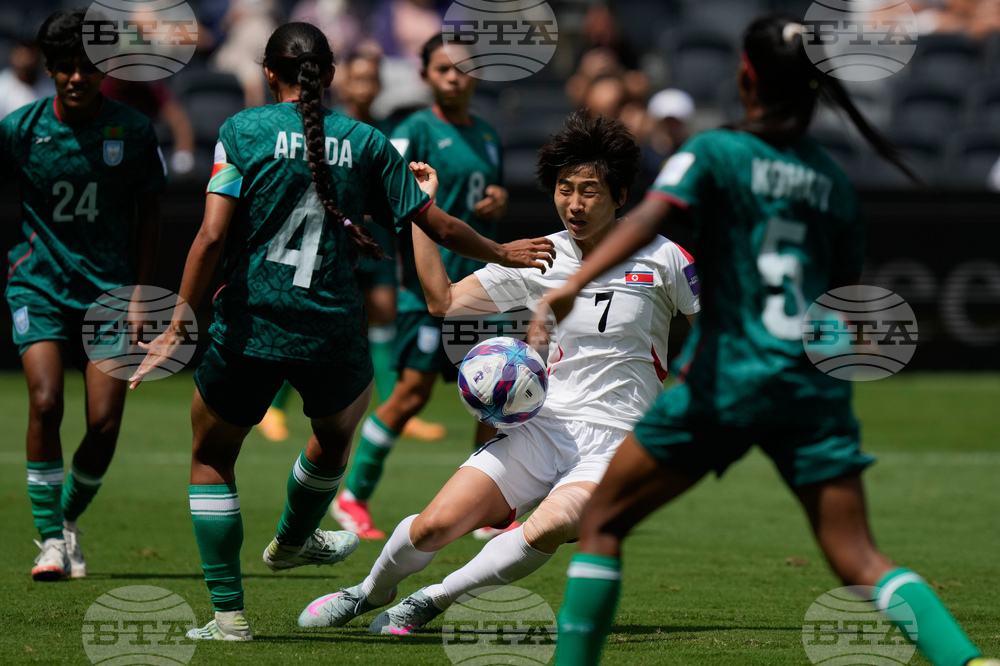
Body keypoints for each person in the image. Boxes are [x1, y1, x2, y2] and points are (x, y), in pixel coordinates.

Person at [538, 17, 994, 666]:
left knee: (604, 521)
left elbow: (649, 215)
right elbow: (845, 297)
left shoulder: (717, 152)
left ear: (745, 79)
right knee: (858, 555)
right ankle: (966, 660)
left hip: (727, 379)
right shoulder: (835, 183)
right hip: (808, 383)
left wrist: (572, 282)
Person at [128, 22, 553, 642]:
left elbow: (212, 236)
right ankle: (296, 536)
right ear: (326, 75)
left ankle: (228, 617)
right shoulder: (367, 141)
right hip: (331, 327)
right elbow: (435, 223)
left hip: (252, 323)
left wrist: (176, 325)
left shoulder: (241, 132)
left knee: (212, 456)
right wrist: (502, 251)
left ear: (269, 71)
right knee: (337, 428)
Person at [297, 111, 700, 635]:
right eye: (564, 189)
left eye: (590, 191)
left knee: (551, 525)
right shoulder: (539, 256)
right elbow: (442, 301)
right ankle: (366, 592)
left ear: (621, 195)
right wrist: (424, 213)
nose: (575, 203)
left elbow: (713, 330)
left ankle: (431, 601)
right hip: (543, 425)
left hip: (619, 442)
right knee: (435, 525)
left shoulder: (665, 257)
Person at [3, 9, 168, 581]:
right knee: (46, 401)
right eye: (65, 68)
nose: (77, 77)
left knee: (103, 423)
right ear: (49, 69)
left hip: (111, 293)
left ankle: (68, 520)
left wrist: (144, 294)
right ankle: (48, 538)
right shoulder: (20, 129)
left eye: (88, 67)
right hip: (38, 284)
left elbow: (151, 213)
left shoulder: (135, 131)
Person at [331, 34, 509, 539]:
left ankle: (486, 508)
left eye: (462, 68)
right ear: (427, 75)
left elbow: (482, 196)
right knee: (411, 394)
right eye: (442, 68)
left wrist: (496, 200)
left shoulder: (489, 137)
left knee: (495, 393)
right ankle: (353, 495)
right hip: (426, 288)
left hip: (479, 287)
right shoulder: (414, 129)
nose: (454, 76)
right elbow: (391, 195)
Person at [0, 40, 54, 120]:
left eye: (31, 53)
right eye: (21, 53)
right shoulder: (2, 88)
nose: (26, 59)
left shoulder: (52, 89)